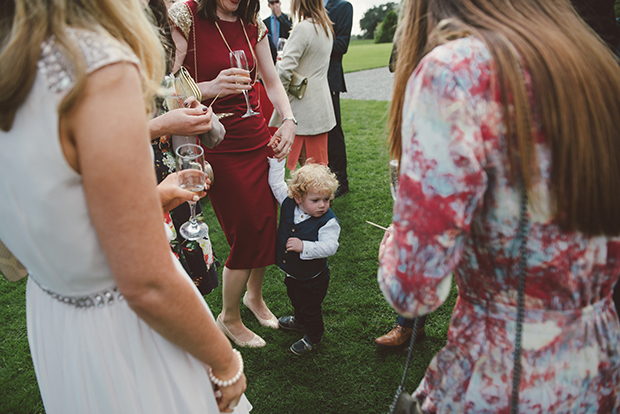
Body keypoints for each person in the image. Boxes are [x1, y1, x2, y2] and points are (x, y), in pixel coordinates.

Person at [0, 0, 251, 412]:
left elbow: (63, 212)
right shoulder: (95, 65)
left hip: (54, 319)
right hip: (125, 328)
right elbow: (146, 283)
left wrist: (155, 198)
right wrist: (226, 363)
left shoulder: (14, 63)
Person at [379, 0, 620, 412]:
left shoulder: (457, 71)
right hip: (597, 369)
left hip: (503, 376)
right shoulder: (597, 63)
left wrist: (394, 244)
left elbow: (413, 288)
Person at [169, 0, 297, 348]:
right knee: (247, 228)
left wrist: (287, 119)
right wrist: (209, 87)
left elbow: (270, 79)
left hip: (256, 134)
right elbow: (164, 87)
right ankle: (228, 317)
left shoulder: (252, 20)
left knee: (269, 221)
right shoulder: (185, 16)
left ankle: (253, 298)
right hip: (217, 139)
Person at [148, 0, 221, 295]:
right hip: (142, 183)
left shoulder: (173, 81)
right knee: (159, 286)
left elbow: (215, 136)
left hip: (178, 182)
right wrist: (163, 125)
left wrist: (202, 116)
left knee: (191, 285)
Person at [267, 158, 340, 354]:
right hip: (293, 274)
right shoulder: (289, 203)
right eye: (315, 200)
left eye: (326, 199)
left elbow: (330, 247)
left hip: (313, 279)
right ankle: (299, 321)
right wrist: (276, 160)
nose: (322, 205)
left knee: (311, 307)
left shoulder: (328, 222)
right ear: (298, 198)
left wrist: (304, 247)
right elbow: (275, 183)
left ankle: (313, 337)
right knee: (295, 298)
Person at [269, 0, 336, 171]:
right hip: (321, 105)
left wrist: (279, 99)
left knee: (307, 172)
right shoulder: (326, 26)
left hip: (303, 107)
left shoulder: (303, 28)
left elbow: (284, 71)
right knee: (317, 170)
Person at [324, 0, 352, 197]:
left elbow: (341, 45)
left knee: (333, 133)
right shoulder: (308, 6)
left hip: (330, 79)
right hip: (310, 81)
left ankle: (341, 180)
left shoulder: (343, 7)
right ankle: (324, 178)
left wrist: (313, 43)